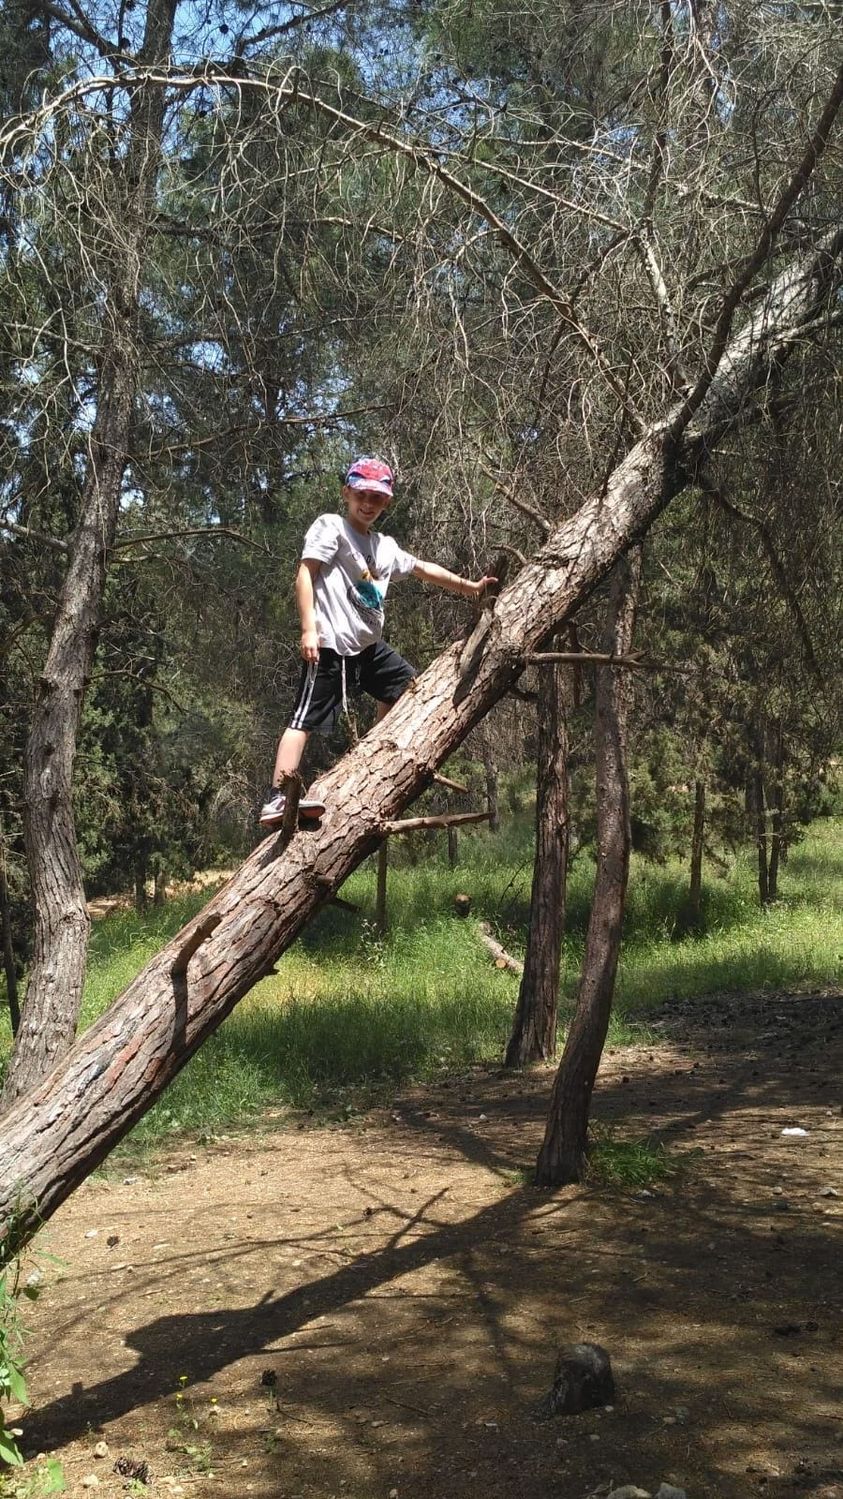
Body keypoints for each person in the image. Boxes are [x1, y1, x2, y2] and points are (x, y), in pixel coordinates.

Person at [259, 456, 496, 827]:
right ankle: (276, 797)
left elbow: (423, 570)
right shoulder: (332, 528)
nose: (368, 504)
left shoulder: (384, 546)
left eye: (377, 498)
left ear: (386, 503)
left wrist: (470, 588)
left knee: (406, 688)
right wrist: (309, 628)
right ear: (347, 493)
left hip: (367, 649)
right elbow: (305, 574)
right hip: (330, 644)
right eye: (361, 495)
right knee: (303, 719)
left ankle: (373, 754)